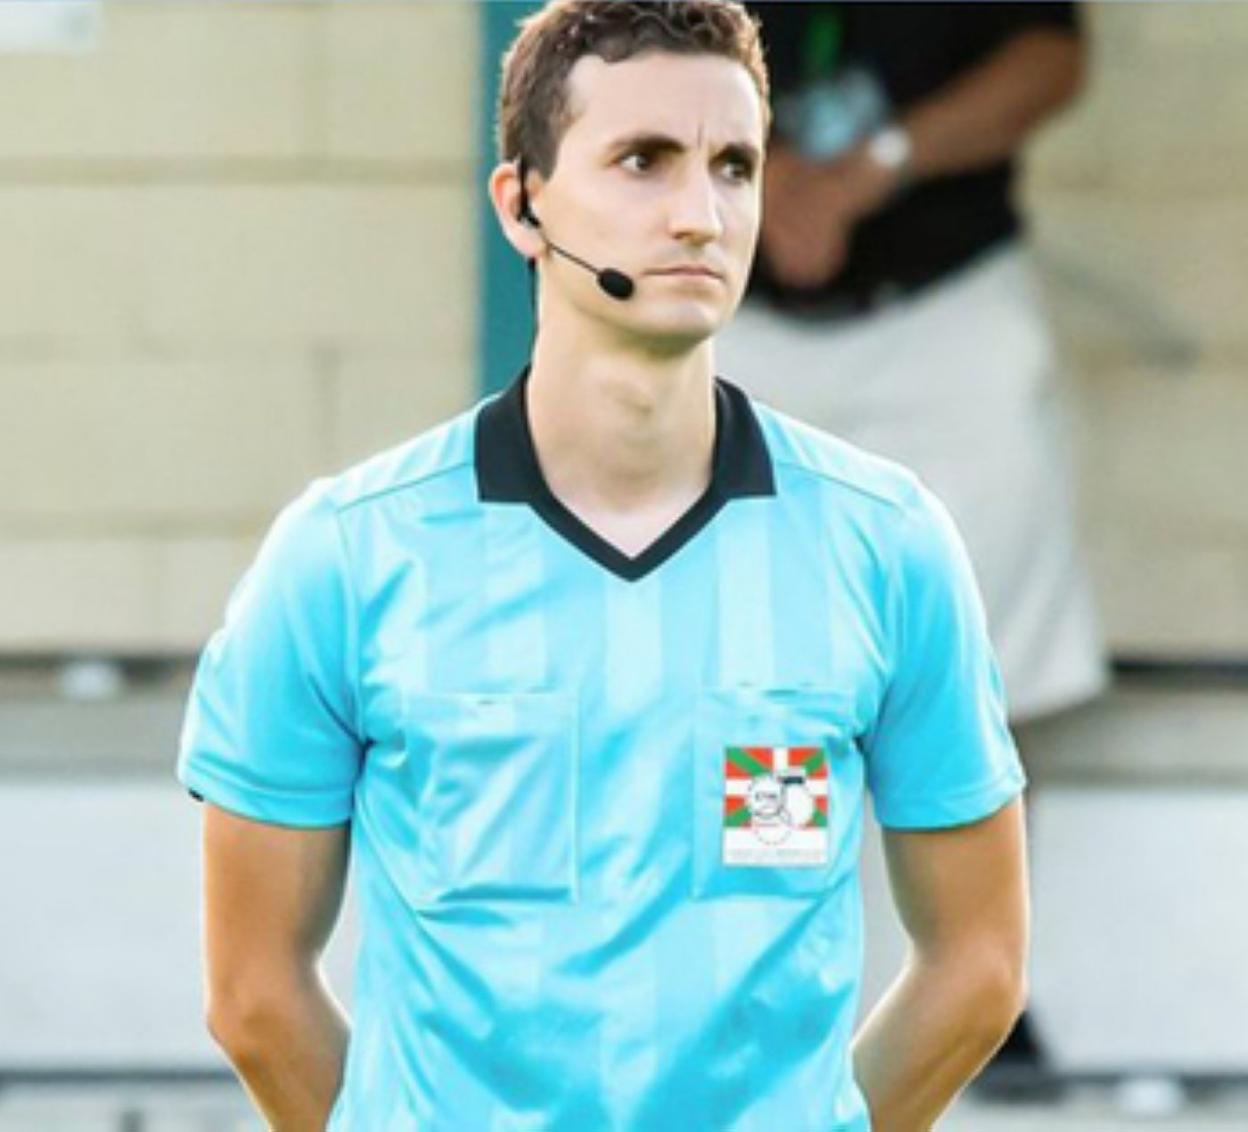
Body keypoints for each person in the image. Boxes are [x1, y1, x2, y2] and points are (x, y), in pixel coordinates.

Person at [177, 3, 1028, 1129]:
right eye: (643, 161)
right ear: (521, 204)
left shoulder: (888, 546)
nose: (700, 214)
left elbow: (978, 964)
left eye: (734, 166)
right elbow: (253, 996)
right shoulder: (344, 556)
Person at [716, 1, 1109, 1089]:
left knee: (979, 660)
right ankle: (776, 979)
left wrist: (872, 168)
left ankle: (982, 987)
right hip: (749, 313)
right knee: (767, 669)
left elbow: (1052, 57)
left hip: (949, 303)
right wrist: (757, 173)